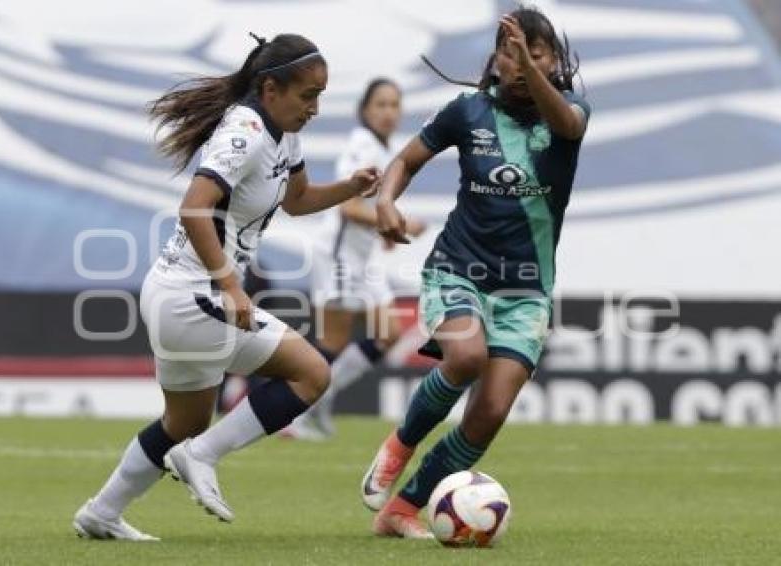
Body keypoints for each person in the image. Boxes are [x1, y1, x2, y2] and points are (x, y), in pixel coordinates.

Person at [73, 32, 379, 541]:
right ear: (270, 88)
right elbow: (194, 207)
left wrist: (350, 188)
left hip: (178, 295)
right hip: (195, 297)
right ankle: (201, 457)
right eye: (308, 95)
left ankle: (101, 513)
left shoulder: (286, 133)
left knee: (183, 420)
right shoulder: (245, 129)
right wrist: (232, 287)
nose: (315, 108)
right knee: (311, 374)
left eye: (320, 95)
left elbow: (298, 199)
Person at [360, 6, 591, 539]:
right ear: (495, 60)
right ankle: (401, 444)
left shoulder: (570, 113)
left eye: (536, 55)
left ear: (553, 62)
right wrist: (387, 202)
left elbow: (566, 122)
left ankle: (402, 510)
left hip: (527, 288)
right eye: (512, 54)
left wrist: (530, 67)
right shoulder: (467, 111)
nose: (522, 66)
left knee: (490, 410)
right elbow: (406, 160)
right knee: (466, 357)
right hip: (458, 269)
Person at [290, 78, 425, 439]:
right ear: (365, 110)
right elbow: (349, 208)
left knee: (390, 332)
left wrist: (385, 233)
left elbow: (366, 207)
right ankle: (297, 413)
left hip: (362, 258)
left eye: (394, 105)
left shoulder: (383, 150)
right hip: (338, 254)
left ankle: (318, 403)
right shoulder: (362, 145)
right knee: (332, 341)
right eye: (380, 104)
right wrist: (398, 221)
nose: (388, 112)